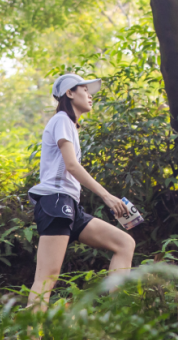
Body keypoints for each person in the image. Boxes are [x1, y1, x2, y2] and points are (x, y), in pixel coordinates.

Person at [27, 74, 135, 309]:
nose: (90, 95)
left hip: (70, 205)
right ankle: (30, 336)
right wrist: (106, 195)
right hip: (56, 201)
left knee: (124, 243)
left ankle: (117, 315)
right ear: (69, 93)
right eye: (85, 90)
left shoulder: (69, 126)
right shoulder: (62, 120)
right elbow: (72, 165)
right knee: (46, 278)